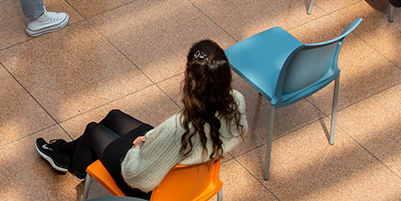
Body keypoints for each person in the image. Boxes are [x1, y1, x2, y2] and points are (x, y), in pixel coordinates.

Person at [35, 40, 247, 198]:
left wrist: (136, 150)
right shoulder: (236, 101)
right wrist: (151, 139)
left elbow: (138, 179)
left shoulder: (179, 126)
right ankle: (67, 158)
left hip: (157, 189)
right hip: (197, 173)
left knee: (93, 130)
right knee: (114, 117)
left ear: (191, 80)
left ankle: (72, 163)